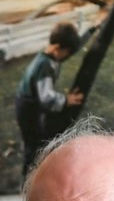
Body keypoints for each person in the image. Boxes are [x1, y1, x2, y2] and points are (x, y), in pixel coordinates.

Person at [15, 22, 88, 179]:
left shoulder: (52, 55)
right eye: (66, 53)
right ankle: (27, 181)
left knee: (39, 140)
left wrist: (92, 30)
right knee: (32, 144)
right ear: (57, 48)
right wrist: (66, 100)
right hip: (27, 107)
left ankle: (36, 174)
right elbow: (46, 97)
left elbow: (75, 46)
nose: (67, 56)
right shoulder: (44, 66)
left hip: (32, 105)